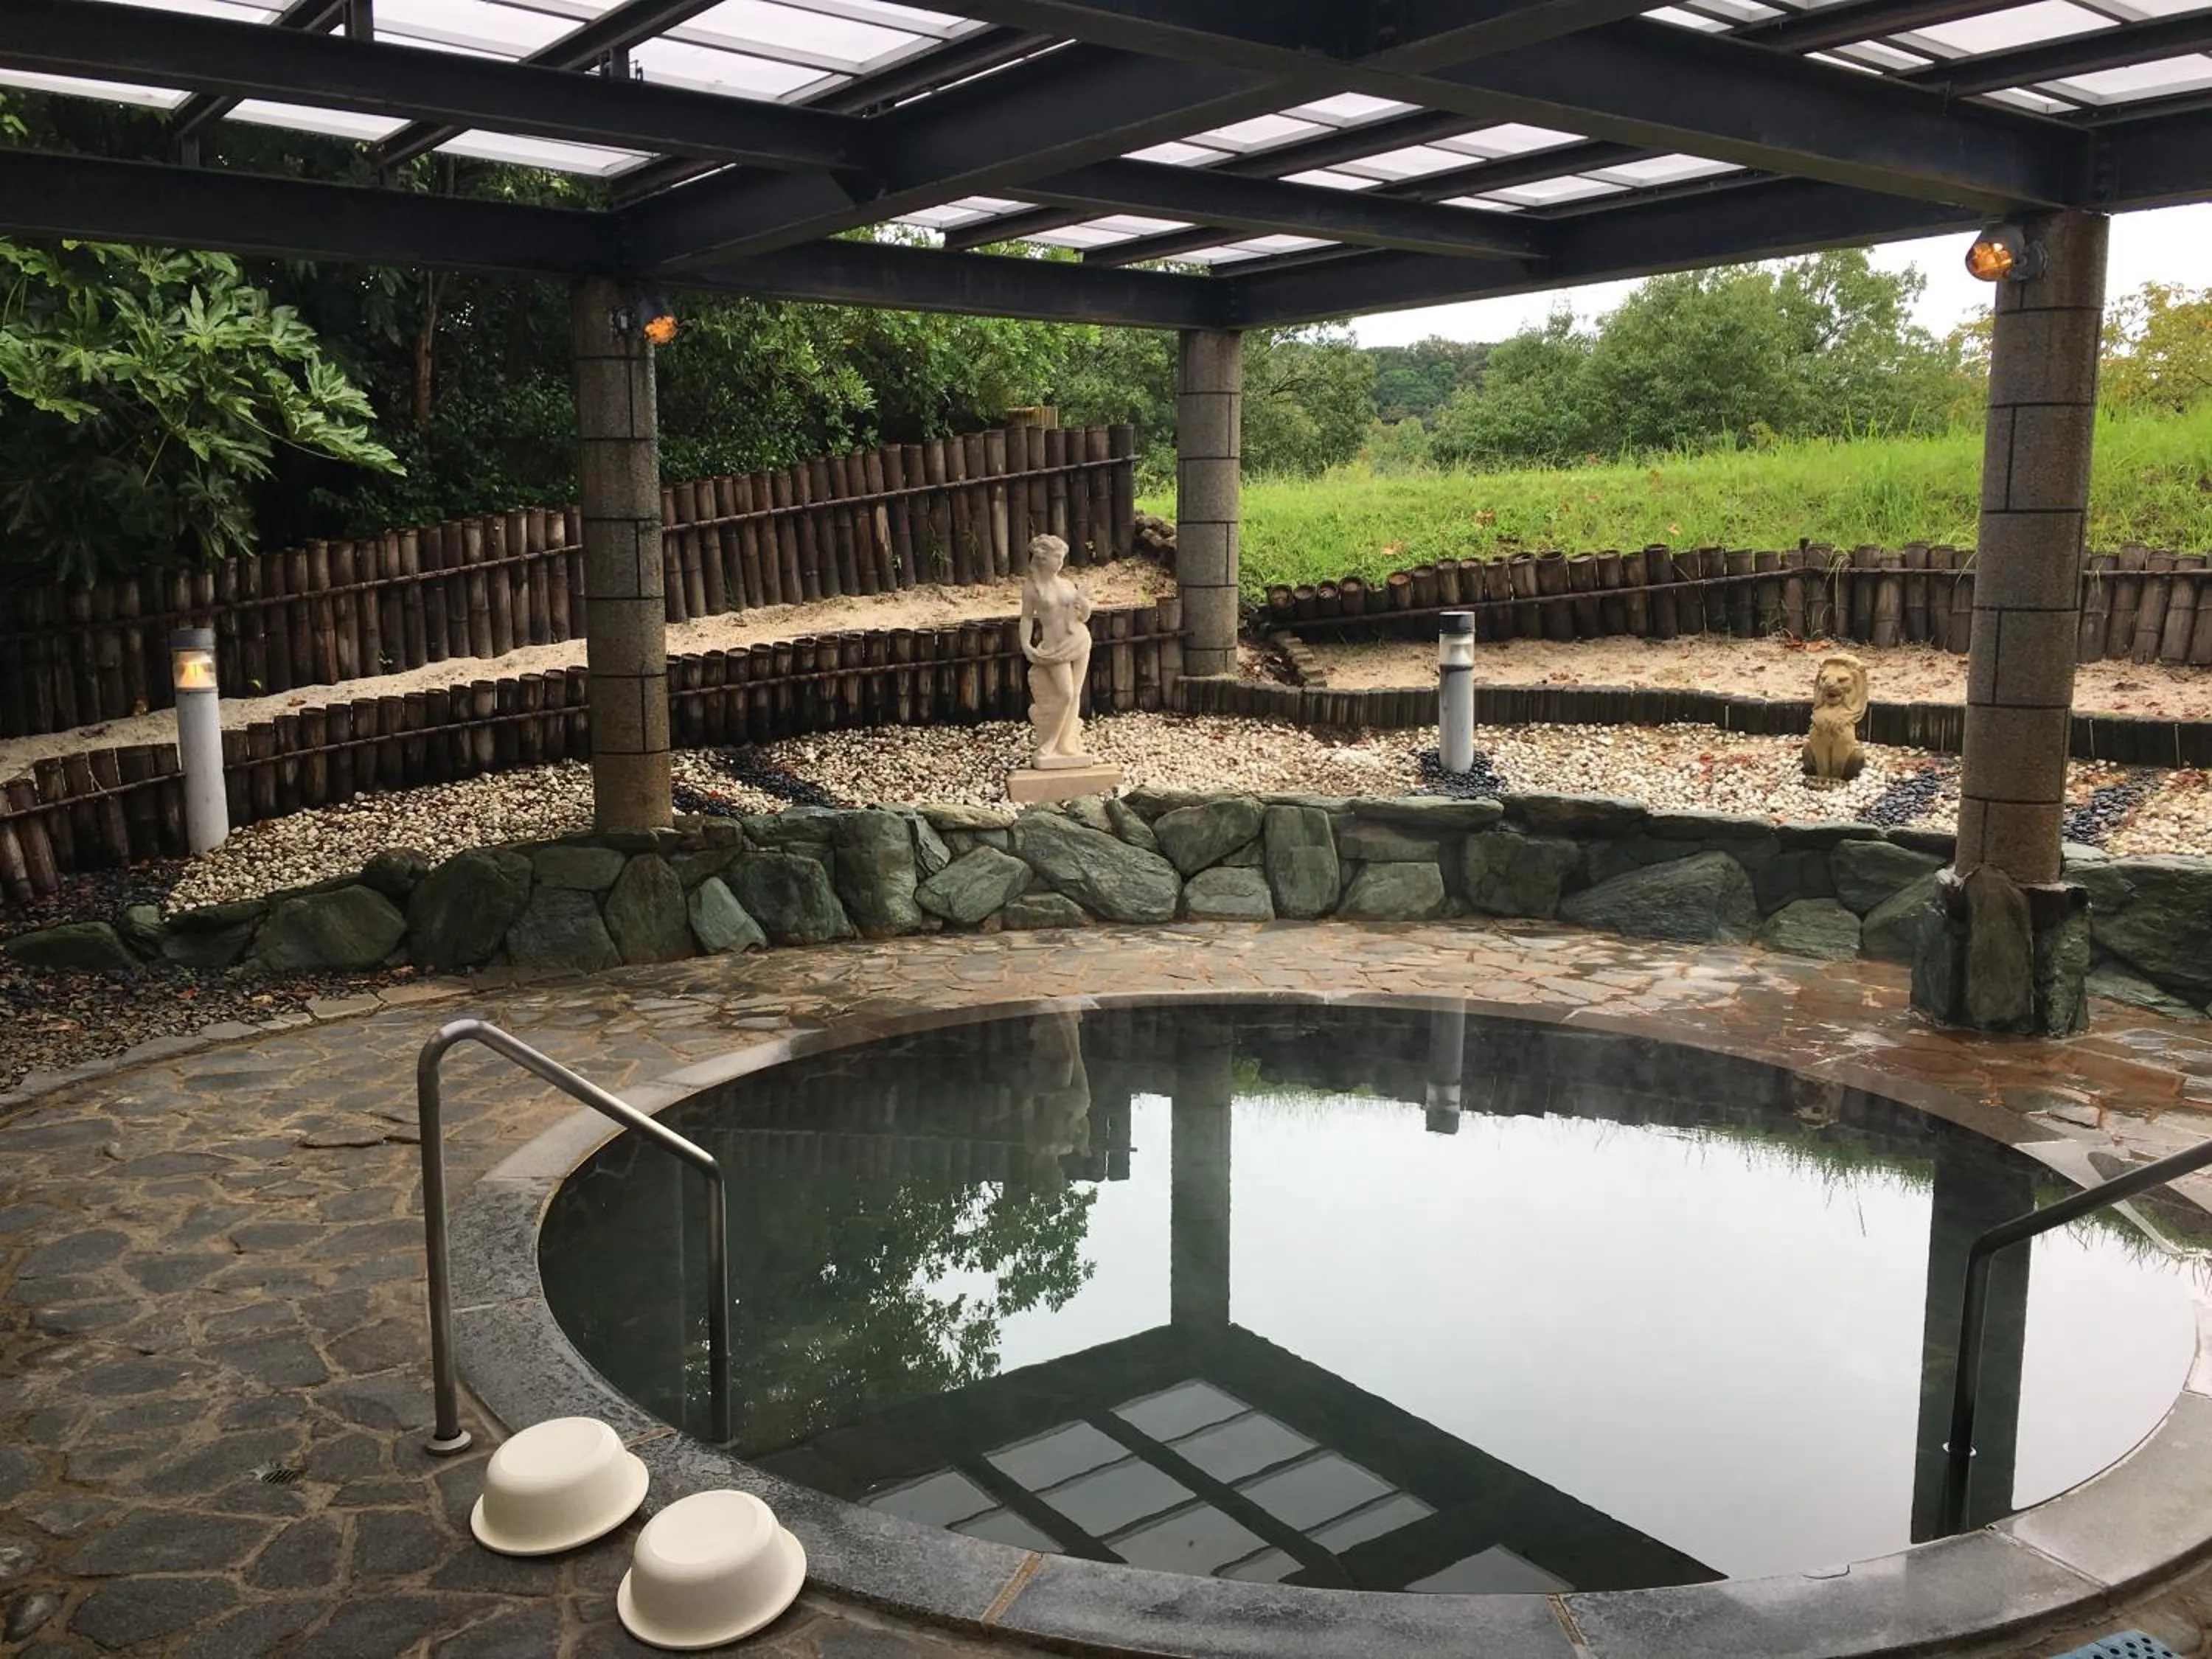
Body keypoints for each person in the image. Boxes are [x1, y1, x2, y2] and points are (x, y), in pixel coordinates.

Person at [1018, 534, 1095, 767]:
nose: (1061, 563)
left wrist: (1085, 604)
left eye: (1062, 558)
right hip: (1054, 647)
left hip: (1080, 640)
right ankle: (1050, 742)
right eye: (1057, 557)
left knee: (1076, 694)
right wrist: (1026, 644)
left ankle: (1066, 743)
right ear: (1043, 559)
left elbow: (1083, 614)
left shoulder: (1066, 584)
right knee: (1066, 694)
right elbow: (1026, 618)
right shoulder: (1032, 589)